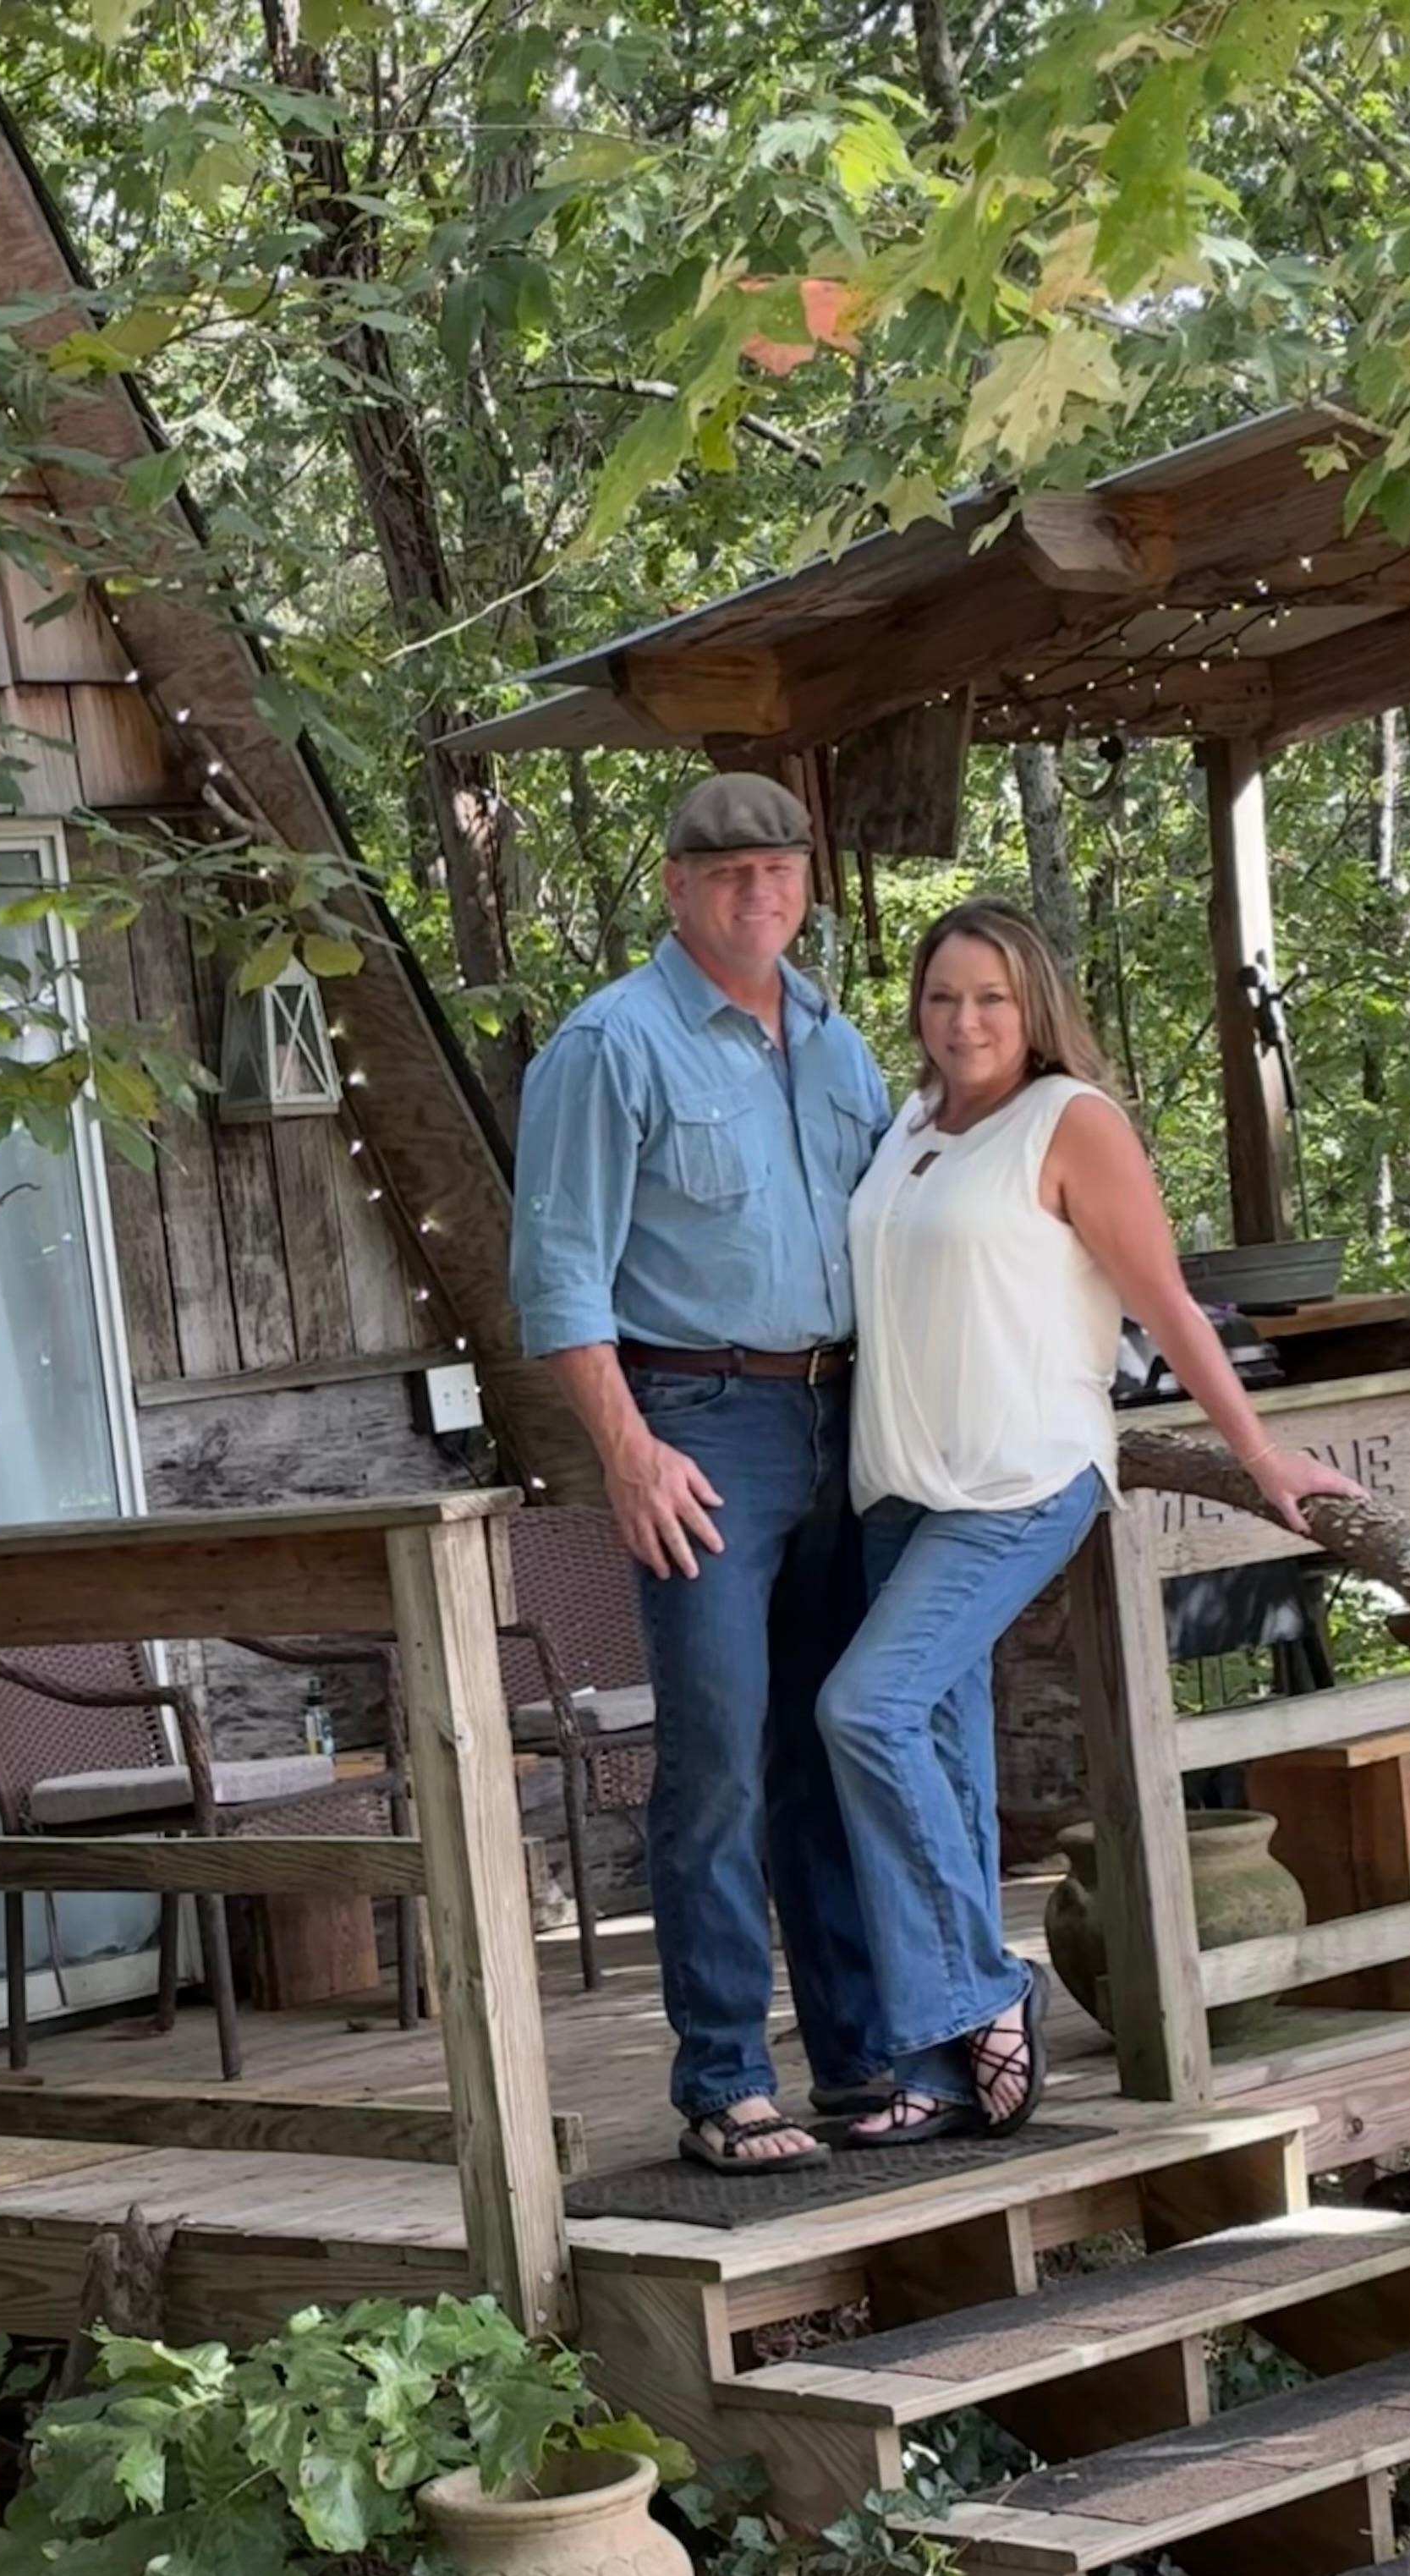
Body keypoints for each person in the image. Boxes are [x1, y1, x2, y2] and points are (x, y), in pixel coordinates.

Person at [817, 897, 1365, 2146]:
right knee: (941, 1771)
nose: (963, 1020)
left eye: (991, 998)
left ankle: (974, 1990)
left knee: (864, 1707)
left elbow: (1161, 1300)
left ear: (1035, 1009)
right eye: (943, 995)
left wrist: (1257, 1451)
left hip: (1017, 1481)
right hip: (898, 1488)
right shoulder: (910, 1125)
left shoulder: (1070, 1122)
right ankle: (944, 2070)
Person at [511, 775, 890, 2173]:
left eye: (779, 867)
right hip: (697, 1424)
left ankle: (860, 2057)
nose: (758, 893)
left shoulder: (839, 1044)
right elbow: (555, 1275)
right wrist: (627, 1450)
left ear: (804, 880)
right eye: (727, 871)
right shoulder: (608, 1047)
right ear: (675, 886)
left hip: (843, 1422)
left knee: (839, 1742)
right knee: (720, 1758)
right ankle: (727, 2079)